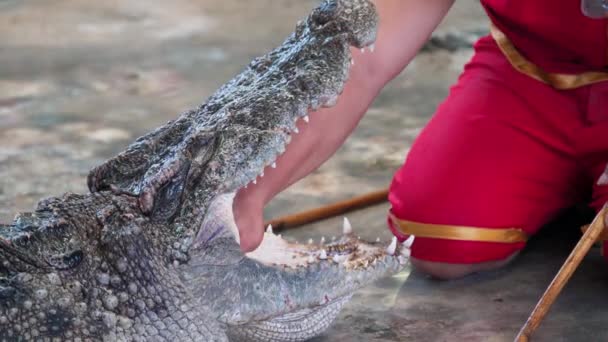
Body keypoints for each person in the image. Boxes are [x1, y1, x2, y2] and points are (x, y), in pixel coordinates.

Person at [232, 0, 608, 279]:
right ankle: (567, 193)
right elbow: (360, 60)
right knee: (439, 242)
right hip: (528, 72)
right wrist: (248, 191)